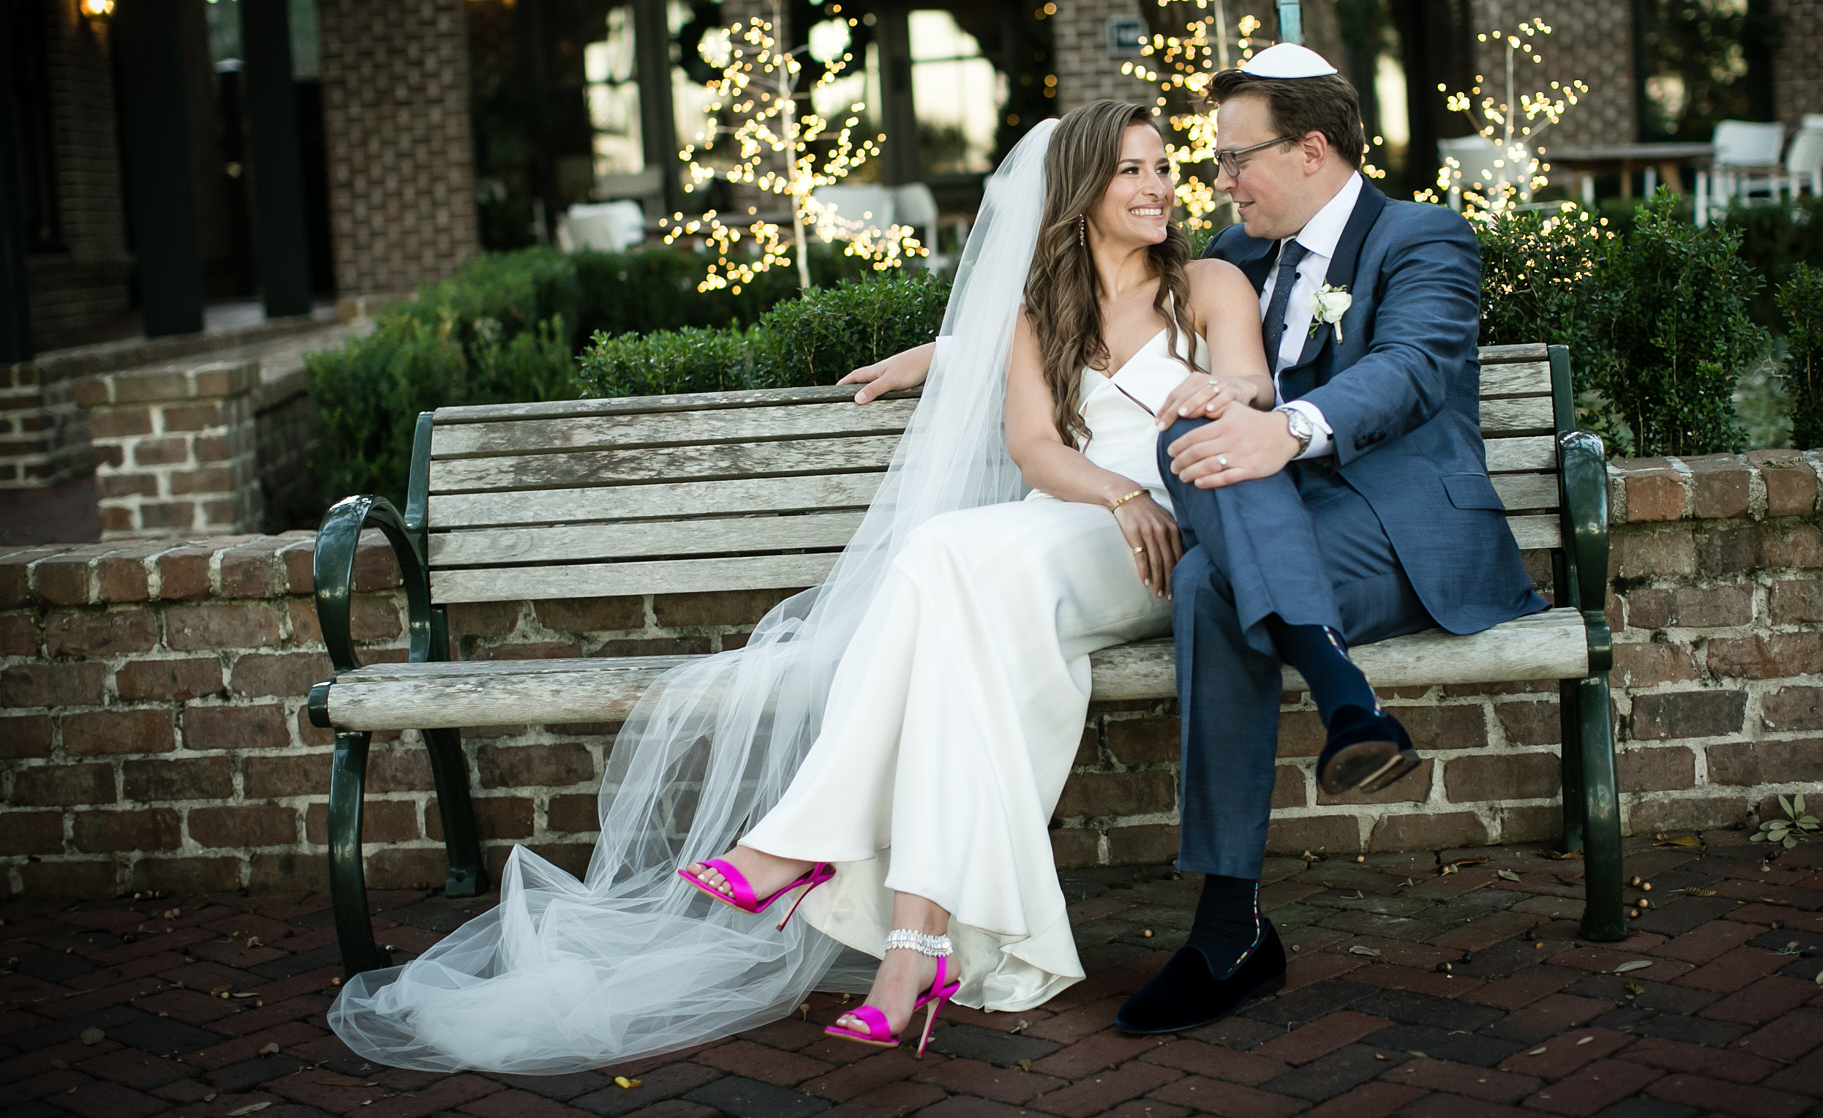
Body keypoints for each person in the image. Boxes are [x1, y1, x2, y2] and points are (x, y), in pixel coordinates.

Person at [325, 101, 1272, 1073]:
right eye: (1131, 169)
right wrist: (1112, 490)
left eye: (1163, 166)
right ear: (1080, 190)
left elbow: (1250, 385)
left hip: (1163, 542)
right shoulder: (1039, 311)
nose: (1158, 186)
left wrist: (1199, 429)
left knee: (940, 557)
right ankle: (913, 945)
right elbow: (1034, 449)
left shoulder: (1207, 284)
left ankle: (801, 843)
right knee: (945, 623)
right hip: (1070, 521)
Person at [845, 43, 1550, 1036]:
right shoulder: (1239, 254)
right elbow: (1104, 309)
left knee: (1209, 468)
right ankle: (1274, 849)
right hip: (1274, 531)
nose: (1217, 181)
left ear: (1310, 151)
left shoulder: (1419, 237)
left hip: (1402, 539)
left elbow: (1411, 367)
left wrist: (1286, 428)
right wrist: (952, 349)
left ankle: (1244, 893)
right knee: (1208, 569)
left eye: (1233, 159)